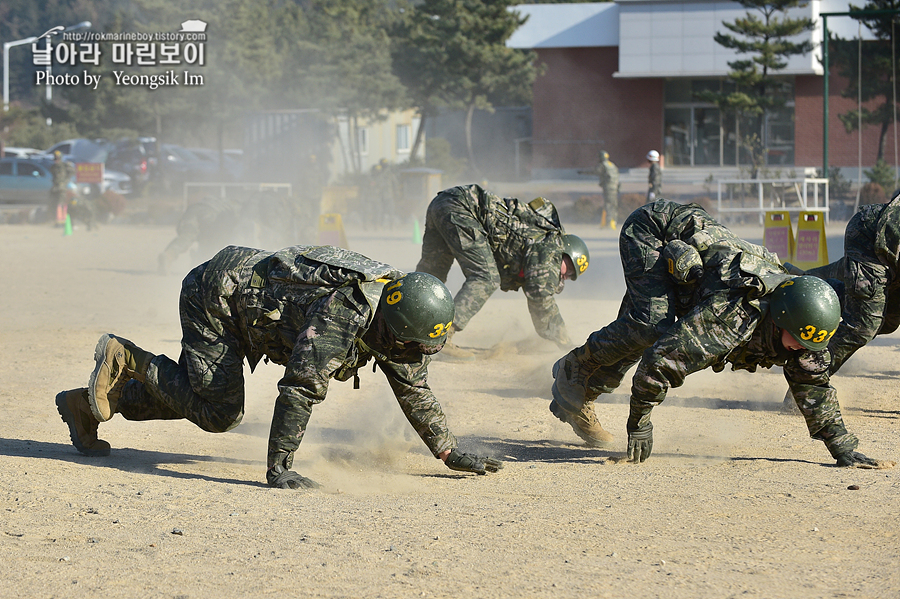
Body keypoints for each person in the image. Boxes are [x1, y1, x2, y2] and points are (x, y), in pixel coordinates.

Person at [56, 245, 503, 488]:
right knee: (219, 412)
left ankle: (93, 403)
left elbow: (414, 388)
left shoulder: (397, 313)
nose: (418, 356)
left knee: (195, 396)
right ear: (394, 327)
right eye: (416, 345)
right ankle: (126, 356)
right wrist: (280, 466)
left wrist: (446, 451)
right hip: (217, 298)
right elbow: (300, 389)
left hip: (247, 304)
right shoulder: (343, 314)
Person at [550, 199, 891, 469]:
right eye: (798, 341)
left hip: (697, 260)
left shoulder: (803, 328)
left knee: (651, 327)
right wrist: (639, 422)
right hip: (654, 230)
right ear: (779, 320)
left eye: (809, 344)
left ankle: (581, 390)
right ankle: (573, 369)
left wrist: (841, 446)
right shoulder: (731, 318)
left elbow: (814, 384)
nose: (802, 350)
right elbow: (661, 363)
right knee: (649, 326)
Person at [415, 184, 590, 352]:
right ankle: (441, 335)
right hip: (463, 209)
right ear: (566, 251)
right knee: (486, 278)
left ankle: (408, 325)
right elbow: (541, 296)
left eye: (572, 276)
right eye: (570, 269)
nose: (566, 276)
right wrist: (566, 344)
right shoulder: (551, 248)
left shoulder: (542, 240)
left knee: (431, 274)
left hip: (445, 202)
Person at [780, 193, 900, 409]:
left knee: (888, 321)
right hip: (871, 238)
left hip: (891, 252)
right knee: (862, 326)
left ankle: (797, 281)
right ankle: (805, 385)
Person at [580, 151, 620, 229]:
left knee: (608, 204)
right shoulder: (612, 165)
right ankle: (614, 222)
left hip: (608, 187)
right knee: (614, 204)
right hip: (615, 187)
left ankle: (608, 224)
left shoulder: (603, 165)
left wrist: (584, 172)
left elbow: (596, 171)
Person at [49, 151, 75, 224]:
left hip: (62, 187)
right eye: (55, 158)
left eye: (57, 158)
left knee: (61, 203)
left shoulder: (64, 166)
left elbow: (72, 171)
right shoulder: (53, 167)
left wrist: (66, 180)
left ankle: (62, 219)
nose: (56, 160)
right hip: (55, 187)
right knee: (52, 202)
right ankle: (54, 218)